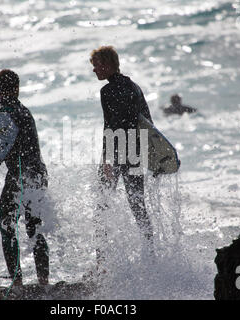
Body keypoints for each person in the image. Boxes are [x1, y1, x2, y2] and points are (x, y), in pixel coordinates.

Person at [90, 46, 155, 271]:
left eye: (96, 65)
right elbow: (147, 121)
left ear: (108, 64)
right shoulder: (134, 87)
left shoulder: (107, 91)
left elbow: (110, 127)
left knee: (102, 206)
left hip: (117, 154)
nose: (94, 70)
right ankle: (151, 256)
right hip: (134, 153)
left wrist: (106, 160)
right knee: (138, 206)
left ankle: (102, 264)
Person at [0, 69, 49, 288]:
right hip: (39, 174)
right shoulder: (25, 111)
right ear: (18, 88)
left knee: (7, 225)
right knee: (34, 227)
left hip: (19, 176)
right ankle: (44, 282)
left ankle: (17, 283)